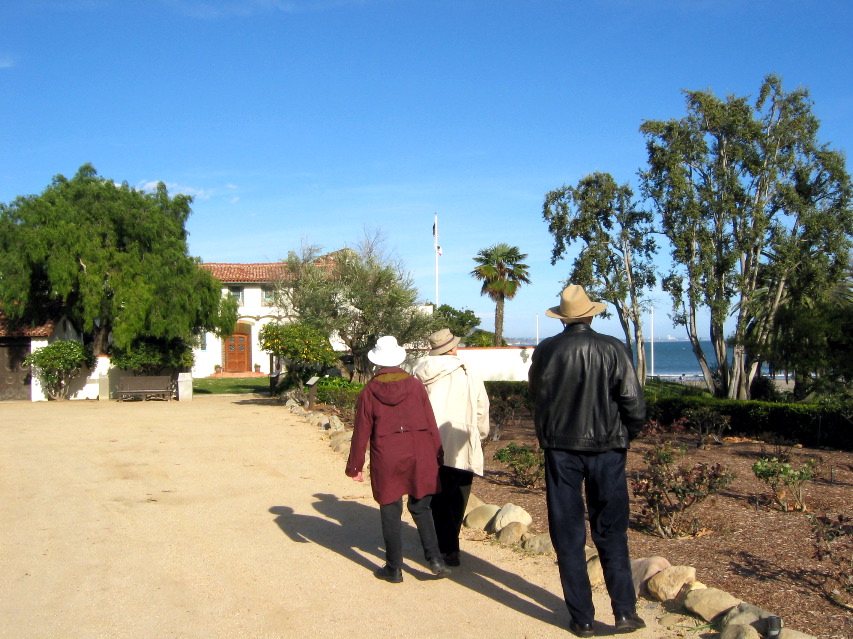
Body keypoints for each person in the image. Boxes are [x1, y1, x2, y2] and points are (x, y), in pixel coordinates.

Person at [528, 285, 647, 637]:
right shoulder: (612, 348)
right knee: (611, 530)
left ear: (563, 317)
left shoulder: (547, 350)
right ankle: (624, 611)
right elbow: (633, 402)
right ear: (591, 314)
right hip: (607, 449)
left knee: (567, 533)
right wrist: (626, 435)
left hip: (560, 449)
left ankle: (581, 618)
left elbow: (537, 395)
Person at [345, 335, 451, 583]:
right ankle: (435, 560)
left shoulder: (369, 391)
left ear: (377, 362)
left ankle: (394, 568)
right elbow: (430, 422)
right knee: (421, 507)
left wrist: (355, 466)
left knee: (390, 510)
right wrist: (438, 453)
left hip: (387, 455)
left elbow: (361, 431)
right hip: (420, 452)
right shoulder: (415, 386)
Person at [413, 328, 489, 567]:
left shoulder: (419, 371)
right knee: (459, 494)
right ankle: (451, 546)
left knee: (435, 494)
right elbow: (481, 407)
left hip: (429, 439)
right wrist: (481, 434)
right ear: (452, 348)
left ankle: (441, 544)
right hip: (461, 438)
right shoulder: (468, 371)